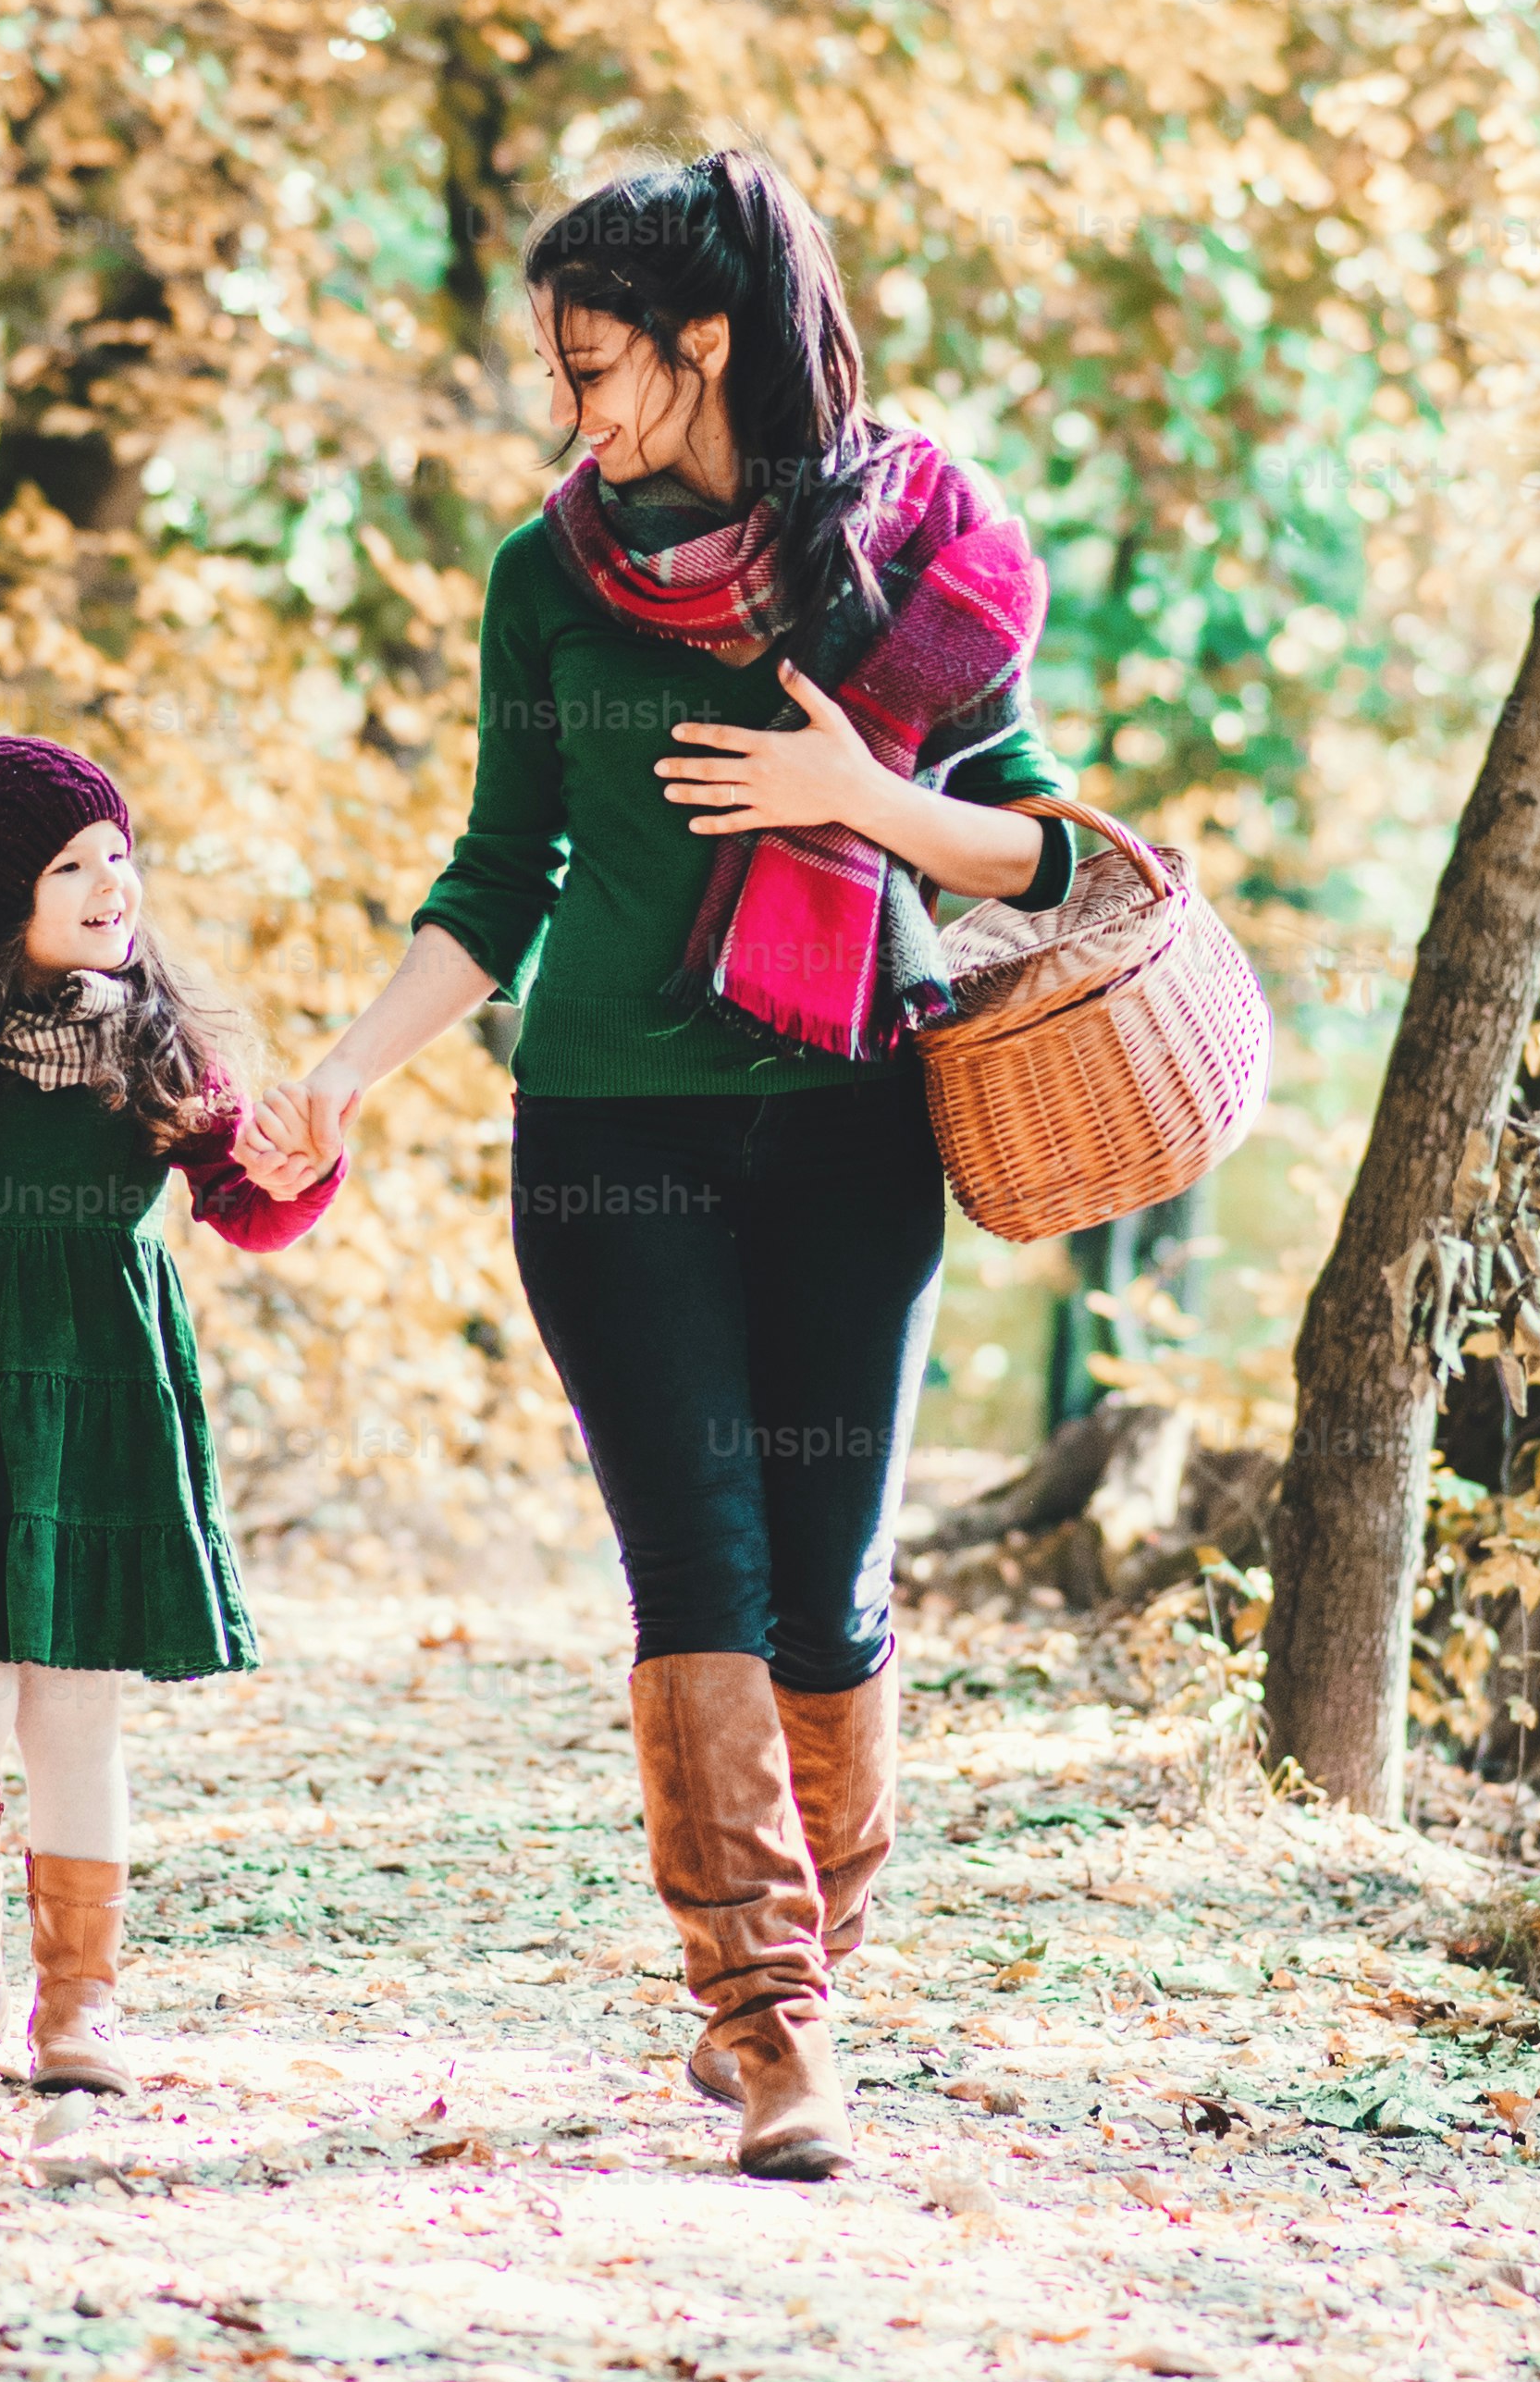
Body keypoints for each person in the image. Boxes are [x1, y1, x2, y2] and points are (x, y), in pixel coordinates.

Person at [245, 145, 1083, 2180]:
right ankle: (766, 2011)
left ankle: (814, 1942)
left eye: (598, 360)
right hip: (610, 1134)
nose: (575, 404)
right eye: (559, 363)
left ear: (707, 339)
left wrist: (857, 791)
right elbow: (495, 873)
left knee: (829, 1589)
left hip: (854, 1124)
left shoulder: (911, 555)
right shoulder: (548, 577)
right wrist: (345, 1070)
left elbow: (1050, 850)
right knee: (693, 1566)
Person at [0, 734, 341, 2085]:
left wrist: (303, 1163)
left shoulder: (158, 1040)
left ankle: (79, 1996)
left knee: (78, 1709)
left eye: (118, 857)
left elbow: (247, 1206)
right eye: (70, 864)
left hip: (104, 1391)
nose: (110, 884)